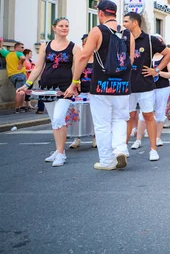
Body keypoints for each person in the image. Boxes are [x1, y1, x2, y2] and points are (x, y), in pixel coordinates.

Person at [65, 0, 133, 171]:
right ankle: (120, 149)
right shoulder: (128, 33)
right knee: (120, 118)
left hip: (101, 85)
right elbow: (130, 61)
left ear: (101, 13)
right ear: (115, 13)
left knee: (102, 124)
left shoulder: (97, 31)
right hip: (122, 86)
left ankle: (107, 160)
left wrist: (75, 81)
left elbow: (83, 57)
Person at [18, 17, 80, 167]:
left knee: (59, 118)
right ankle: (59, 151)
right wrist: (27, 85)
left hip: (65, 88)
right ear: (54, 28)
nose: (64, 28)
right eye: (61, 26)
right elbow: (38, 67)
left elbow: (77, 69)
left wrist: (75, 85)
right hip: (47, 87)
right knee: (54, 121)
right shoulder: (46, 46)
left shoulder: (74, 47)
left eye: (66, 26)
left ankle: (61, 154)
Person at [122, 12, 170, 161]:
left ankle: (153, 149)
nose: (123, 24)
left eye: (126, 21)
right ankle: (123, 148)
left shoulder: (150, 40)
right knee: (128, 117)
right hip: (127, 84)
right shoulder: (123, 39)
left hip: (145, 84)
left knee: (148, 116)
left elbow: (169, 54)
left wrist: (156, 70)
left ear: (135, 23)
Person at [131, 35, 170, 149]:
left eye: (160, 41)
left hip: (162, 87)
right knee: (144, 113)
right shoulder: (148, 56)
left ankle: (157, 137)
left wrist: (157, 72)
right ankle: (138, 139)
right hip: (147, 87)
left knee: (160, 112)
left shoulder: (165, 58)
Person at [69, 34, 97, 149]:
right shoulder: (80, 57)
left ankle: (95, 137)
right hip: (81, 89)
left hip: (94, 90)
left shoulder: (98, 57)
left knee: (94, 115)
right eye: (85, 43)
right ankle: (77, 138)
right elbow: (74, 72)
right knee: (76, 114)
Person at [0, 39, 27, 113]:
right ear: (16, 48)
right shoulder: (19, 53)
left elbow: (0, 49)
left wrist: (1, 42)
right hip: (20, 74)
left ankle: (22, 106)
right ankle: (18, 108)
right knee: (20, 92)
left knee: (20, 91)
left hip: (11, 75)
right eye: (21, 47)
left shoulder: (7, 54)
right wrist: (21, 64)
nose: (23, 49)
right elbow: (23, 58)